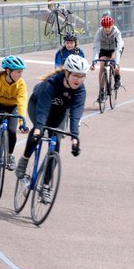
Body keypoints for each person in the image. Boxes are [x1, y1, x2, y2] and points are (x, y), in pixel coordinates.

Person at [21, 55, 87, 187]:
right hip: (38, 105)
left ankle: (45, 185)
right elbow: (43, 110)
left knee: (55, 145)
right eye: (75, 75)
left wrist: (75, 139)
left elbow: (75, 115)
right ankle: (24, 161)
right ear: (66, 73)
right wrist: (39, 128)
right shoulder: (51, 83)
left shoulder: (80, 91)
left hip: (59, 111)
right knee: (37, 133)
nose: (78, 80)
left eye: (82, 76)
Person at [0, 56, 28, 168]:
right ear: (8, 71)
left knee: (12, 131)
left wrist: (23, 122)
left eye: (21, 72)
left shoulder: (21, 84)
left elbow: (22, 102)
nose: (20, 75)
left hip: (13, 107)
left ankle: (10, 156)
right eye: (18, 72)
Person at [92, 13, 125, 93]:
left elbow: (118, 49)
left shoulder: (116, 32)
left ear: (112, 25)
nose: (107, 29)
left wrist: (116, 63)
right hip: (104, 49)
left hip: (115, 49)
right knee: (102, 66)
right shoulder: (99, 32)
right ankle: (102, 90)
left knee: (113, 60)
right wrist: (93, 61)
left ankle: (117, 78)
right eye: (105, 27)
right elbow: (96, 47)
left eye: (109, 27)